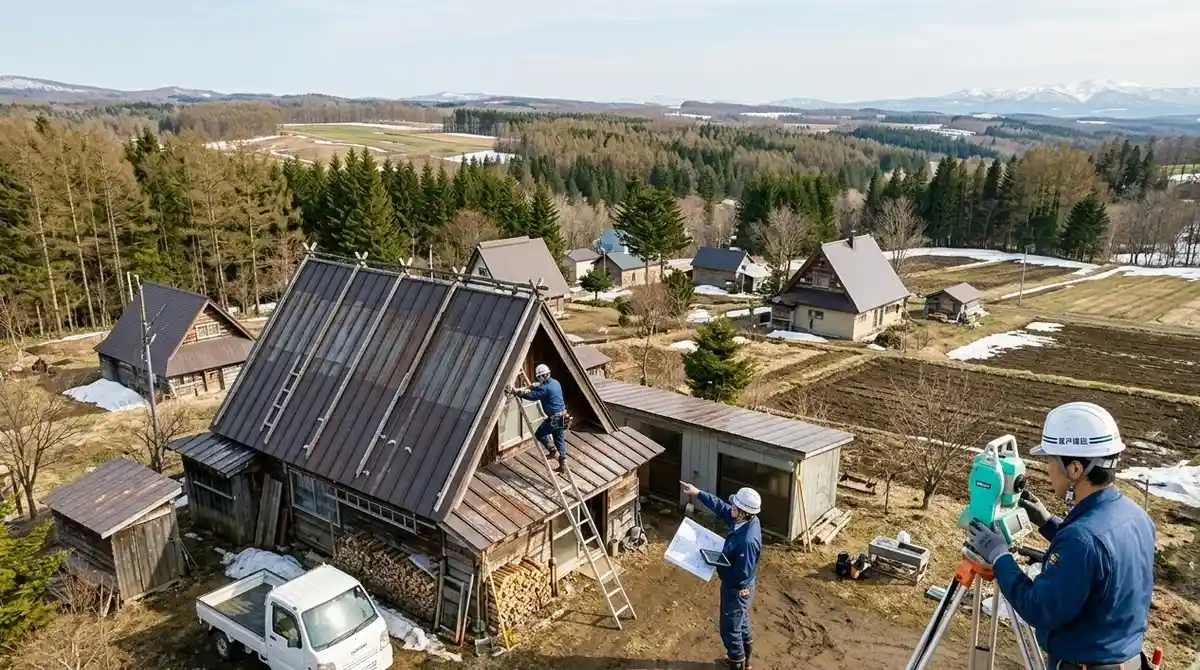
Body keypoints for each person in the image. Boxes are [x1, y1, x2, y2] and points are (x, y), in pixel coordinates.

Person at [966, 402, 1156, 669]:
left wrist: (999, 556)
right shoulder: (1136, 515)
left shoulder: (1082, 539)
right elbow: (1098, 562)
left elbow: (1039, 608)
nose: (1047, 468)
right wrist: (1047, 522)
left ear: (1075, 470)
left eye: (1050, 460)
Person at [680, 481, 763, 670]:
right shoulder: (744, 520)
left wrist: (718, 565)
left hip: (737, 589)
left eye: (735, 506)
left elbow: (741, 575)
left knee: (730, 628)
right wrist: (698, 492)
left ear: (744, 511)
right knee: (740, 622)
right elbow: (721, 507)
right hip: (741, 588)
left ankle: (736, 663)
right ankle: (746, 661)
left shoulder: (747, 542)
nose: (731, 507)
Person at [510, 364, 568, 472]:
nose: (539, 379)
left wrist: (516, 392)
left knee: (539, 433)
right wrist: (534, 386)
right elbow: (542, 386)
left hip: (555, 418)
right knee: (559, 438)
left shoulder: (545, 388)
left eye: (539, 377)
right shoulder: (555, 383)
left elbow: (531, 396)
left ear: (542, 376)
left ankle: (551, 449)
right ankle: (562, 462)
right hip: (563, 416)